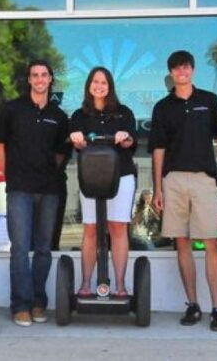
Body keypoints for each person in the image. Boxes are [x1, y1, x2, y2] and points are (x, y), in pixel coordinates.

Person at [149, 50, 217, 331]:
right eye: (176, 68)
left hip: (203, 179)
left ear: (193, 70)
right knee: (182, 243)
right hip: (173, 180)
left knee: (211, 242)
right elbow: (158, 150)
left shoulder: (209, 100)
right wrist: (157, 188)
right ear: (171, 73)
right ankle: (193, 305)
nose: (181, 72)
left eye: (185, 67)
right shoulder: (162, 107)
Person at [0, 60, 69, 327]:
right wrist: (6, 174)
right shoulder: (13, 109)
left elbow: (61, 153)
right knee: (20, 249)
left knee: (44, 249)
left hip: (49, 189)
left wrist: (47, 171)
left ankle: (38, 302)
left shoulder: (59, 116)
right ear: (29, 80)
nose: (39, 79)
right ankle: (21, 305)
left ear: (50, 79)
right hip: (19, 189)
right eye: (34, 75)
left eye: (44, 75)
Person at [69, 67, 137, 298]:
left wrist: (124, 137)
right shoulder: (79, 116)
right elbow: (77, 142)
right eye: (95, 82)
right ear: (89, 85)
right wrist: (77, 139)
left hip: (121, 175)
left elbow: (129, 142)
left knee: (118, 228)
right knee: (90, 229)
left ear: (110, 86)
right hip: (91, 177)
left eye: (104, 82)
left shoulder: (123, 113)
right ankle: (86, 284)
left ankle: (120, 285)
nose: (99, 86)